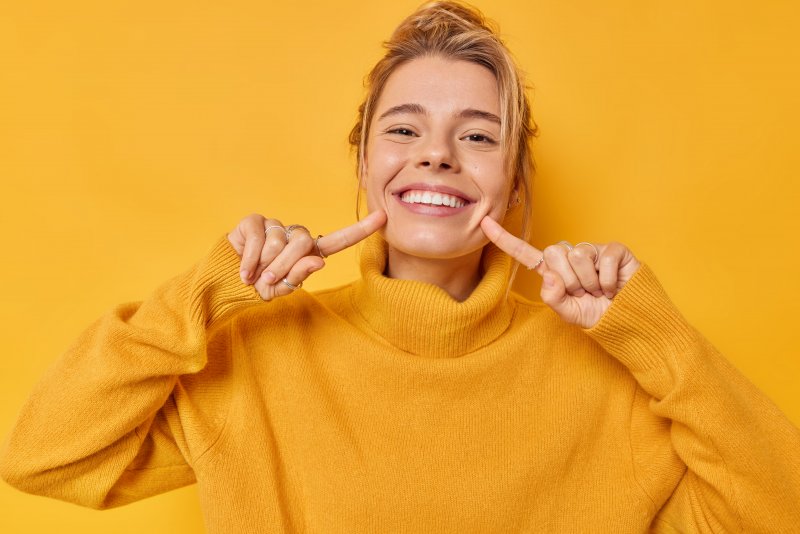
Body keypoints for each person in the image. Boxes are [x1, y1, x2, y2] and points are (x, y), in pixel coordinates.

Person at [1, 1, 798, 532]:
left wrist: (649, 333)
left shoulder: (616, 379)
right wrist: (205, 297)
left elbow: (777, 504)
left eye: (479, 136)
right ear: (365, 161)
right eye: (405, 130)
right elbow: (42, 456)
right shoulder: (254, 361)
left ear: (513, 182)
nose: (438, 156)